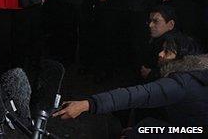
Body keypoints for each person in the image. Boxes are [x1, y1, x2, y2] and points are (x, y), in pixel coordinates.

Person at [53, 33, 208, 134]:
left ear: (181, 59)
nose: (160, 54)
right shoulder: (195, 74)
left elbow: (136, 95)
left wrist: (86, 105)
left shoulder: (180, 83)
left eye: (167, 52)